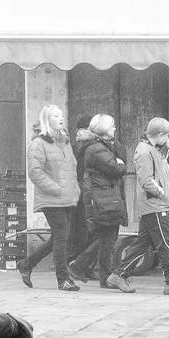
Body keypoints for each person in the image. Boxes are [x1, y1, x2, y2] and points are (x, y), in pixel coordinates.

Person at [109, 117, 169, 296]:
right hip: (155, 205)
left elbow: (166, 171)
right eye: (167, 135)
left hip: (156, 205)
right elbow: (146, 180)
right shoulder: (144, 152)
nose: (168, 139)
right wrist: (162, 194)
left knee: (142, 244)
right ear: (160, 134)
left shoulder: (151, 150)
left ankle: (119, 274)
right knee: (165, 244)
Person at [19, 104, 82, 291]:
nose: (61, 118)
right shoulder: (38, 143)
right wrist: (56, 188)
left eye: (61, 115)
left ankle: (27, 264)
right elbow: (35, 172)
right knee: (62, 236)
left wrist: (74, 189)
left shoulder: (65, 142)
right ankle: (63, 279)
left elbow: (71, 169)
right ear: (47, 120)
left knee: (58, 237)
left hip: (67, 197)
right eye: (56, 116)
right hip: (51, 198)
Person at [77, 114, 133, 292]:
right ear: (102, 129)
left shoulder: (103, 146)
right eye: (112, 126)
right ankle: (97, 273)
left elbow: (120, 159)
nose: (115, 129)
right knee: (108, 239)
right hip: (103, 197)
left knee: (107, 238)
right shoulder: (96, 148)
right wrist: (120, 163)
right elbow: (117, 169)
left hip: (107, 196)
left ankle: (84, 267)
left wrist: (116, 148)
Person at [65, 115, 94, 280]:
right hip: (81, 192)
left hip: (77, 191)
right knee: (82, 231)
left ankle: (79, 265)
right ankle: (76, 265)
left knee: (79, 231)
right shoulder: (85, 147)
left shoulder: (76, 146)